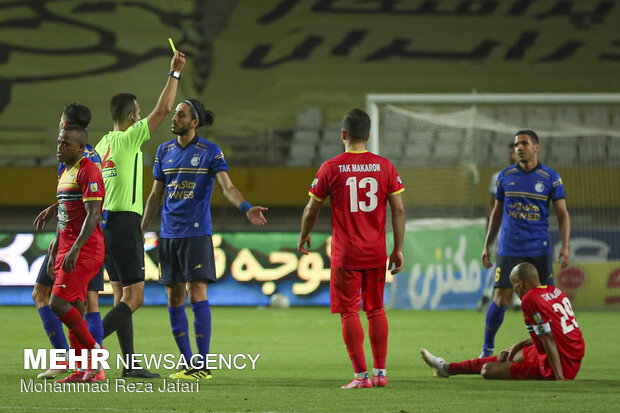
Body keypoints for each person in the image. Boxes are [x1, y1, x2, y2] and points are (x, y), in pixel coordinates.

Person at [141, 99, 267, 380]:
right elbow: (154, 196)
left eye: (180, 115)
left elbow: (228, 187)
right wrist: (142, 227)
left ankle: (203, 364)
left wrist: (246, 208)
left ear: (194, 122)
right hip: (168, 235)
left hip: (196, 233)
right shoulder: (164, 152)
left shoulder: (210, 152)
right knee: (174, 296)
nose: (174, 118)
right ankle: (188, 365)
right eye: (174, 114)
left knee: (196, 293)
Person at [297, 109, 405, 389]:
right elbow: (399, 209)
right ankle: (380, 373)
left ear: (342, 135)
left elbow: (311, 209)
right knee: (376, 309)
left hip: (346, 254)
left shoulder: (331, 167)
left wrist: (304, 234)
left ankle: (361, 377)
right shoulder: (385, 166)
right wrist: (398, 248)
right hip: (375, 252)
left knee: (349, 312)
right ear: (368, 136)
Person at [94, 50, 186, 378]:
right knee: (135, 298)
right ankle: (87, 347)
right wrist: (174, 73)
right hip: (124, 224)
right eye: (138, 112)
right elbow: (163, 110)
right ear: (134, 116)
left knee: (121, 296)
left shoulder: (103, 143)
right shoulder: (130, 138)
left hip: (104, 225)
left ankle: (130, 365)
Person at [479, 130, 570, 359]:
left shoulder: (550, 177)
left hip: (539, 249)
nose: (519, 147)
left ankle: (554, 350)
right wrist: (488, 244)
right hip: (510, 247)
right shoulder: (505, 176)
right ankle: (487, 349)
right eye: (517, 144)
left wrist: (566, 245)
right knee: (501, 299)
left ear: (536, 147)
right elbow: (497, 212)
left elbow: (562, 214)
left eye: (524, 143)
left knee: (545, 301)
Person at [31, 103, 105, 380]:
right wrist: (55, 210)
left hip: (85, 241)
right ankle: (84, 366)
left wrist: (73, 248)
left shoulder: (88, 162)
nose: (59, 146)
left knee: (58, 300)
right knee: (79, 303)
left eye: (62, 140)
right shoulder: (68, 165)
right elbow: (72, 198)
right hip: (67, 239)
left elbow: (93, 206)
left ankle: (90, 357)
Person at [421, 262, 584, 380]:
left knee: (488, 370)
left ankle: (447, 368)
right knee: (507, 356)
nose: (514, 291)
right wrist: (519, 345)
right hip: (568, 353)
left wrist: (559, 377)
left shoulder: (530, 299)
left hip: (559, 364)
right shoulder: (555, 291)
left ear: (521, 284)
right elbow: (554, 332)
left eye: (514, 286)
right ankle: (446, 368)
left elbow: (547, 337)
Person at [477, 142, 518, 311]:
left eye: (514, 152)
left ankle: (515, 297)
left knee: (518, 260)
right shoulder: (499, 176)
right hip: (502, 225)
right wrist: (491, 226)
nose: (512, 155)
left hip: (521, 226)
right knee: (500, 258)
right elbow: (492, 204)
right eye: (510, 152)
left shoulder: (532, 177)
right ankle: (491, 293)